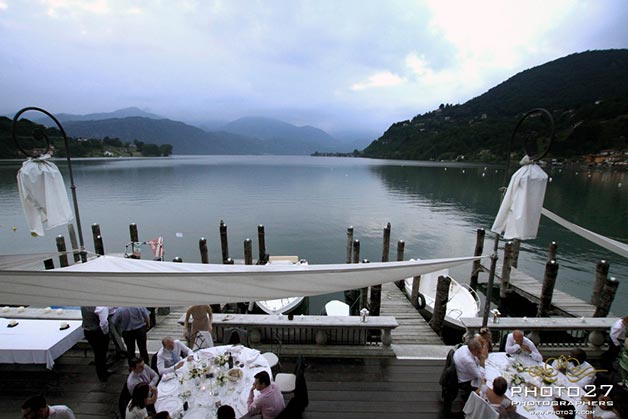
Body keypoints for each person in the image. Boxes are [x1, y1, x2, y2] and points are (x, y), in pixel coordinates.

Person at [81, 306, 112, 382]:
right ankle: (102, 374)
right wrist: (105, 333)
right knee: (101, 354)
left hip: (87, 331)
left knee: (97, 353)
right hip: (98, 332)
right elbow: (104, 323)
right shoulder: (101, 307)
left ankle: (102, 371)